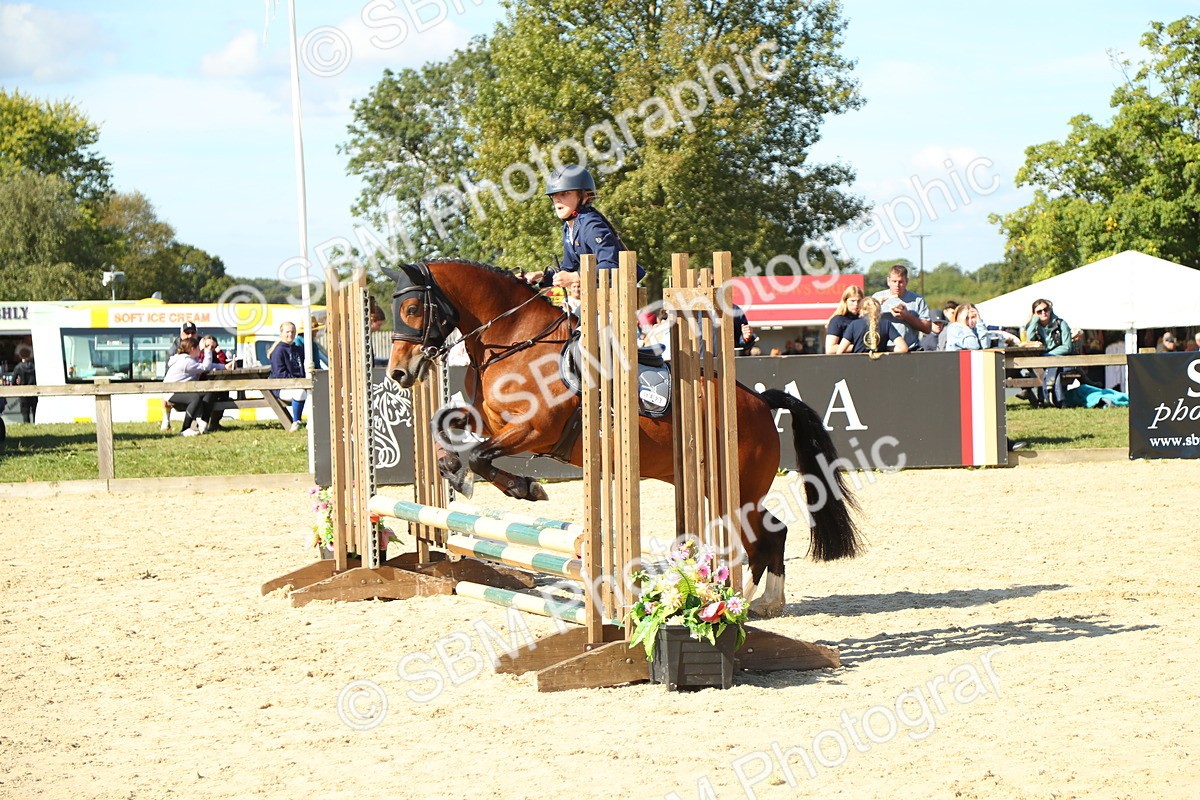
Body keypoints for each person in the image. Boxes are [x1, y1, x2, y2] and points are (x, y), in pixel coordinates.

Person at [522, 165, 645, 286]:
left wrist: (576, 277)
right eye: (554, 195)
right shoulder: (569, 227)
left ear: (585, 196)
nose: (557, 200)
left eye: (564, 193)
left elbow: (611, 264)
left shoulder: (591, 224)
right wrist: (541, 277)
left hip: (618, 296)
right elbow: (567, 269)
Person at [163, 336, 228, 436]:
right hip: (172, 392)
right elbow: (205, 367)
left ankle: (203, 422)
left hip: (180, 390)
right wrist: (207, 351)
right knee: (195, 398)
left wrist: (223, 366)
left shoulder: (189, 359)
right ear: (193, 349)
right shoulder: (186, 361)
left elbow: (205, 365)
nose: (200, 350)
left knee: (209, 392)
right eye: (198, 348)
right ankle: (185, 429)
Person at [1024, 298, 1073, 408]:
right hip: (1041, 362)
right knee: (1039, 370)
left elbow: (1067, 347)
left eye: (1046, 309)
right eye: (1039, 311)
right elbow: (1028, 341)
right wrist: (1034, 321)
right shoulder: (1034, 326)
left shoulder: (1061, 323)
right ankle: (1045, 399)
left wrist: (1048, 356)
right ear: (1034, 314)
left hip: (1063, 360)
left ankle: (1058, 400)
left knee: (1056, 370)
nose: (1043, 313)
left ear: (1050, 310)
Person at [872, 264, 931, 350]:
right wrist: (876, 307)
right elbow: (863, 320)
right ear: (888, 281)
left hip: (910, 349)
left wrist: (907, 316)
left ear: (906, 281)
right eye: (894, 281)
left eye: (901, 282)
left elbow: (927, 328)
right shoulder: (877, 297)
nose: (897, 285)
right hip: (883, 350)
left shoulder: (917, 300)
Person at [837, 297, 909, 355]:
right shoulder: (886, 324)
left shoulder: (854, 324)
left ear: (861, 310)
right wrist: (886, 348)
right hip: (880, 366)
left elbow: (840, 351)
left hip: (857, 367)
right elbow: (904, 348)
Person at [270, 321, 307, 432]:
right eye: (287, 332)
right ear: (281, 333)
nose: (290, 334)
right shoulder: (278, 351)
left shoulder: (299, 349)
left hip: (300, 383)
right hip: (282, 387)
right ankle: (296, 422)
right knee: (299, 392)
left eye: (292, 332)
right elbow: (279, 373)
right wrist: (297, 382)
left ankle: (313, 422)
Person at [161, 321, 198, 431]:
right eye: (187, 333)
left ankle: (203, 423)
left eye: (192, 332)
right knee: (165, 387)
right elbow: (168, 374)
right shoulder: (174, 349)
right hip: (179, 383)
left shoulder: (202, 342)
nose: (190, 335)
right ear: (181, 334)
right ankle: (166, 420)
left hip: (195, 379)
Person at [824, 285, 864, 353]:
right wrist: (859, 346)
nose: (856, 304)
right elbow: (830, 349)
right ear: (845, 301)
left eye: (859, 301)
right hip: (843, 360)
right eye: (852, 301)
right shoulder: (837, 320)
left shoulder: (865, 319)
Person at [11, 351, 37, 423]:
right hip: (34, 390)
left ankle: (26, 426)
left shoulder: (18, 367)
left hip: (23, 391)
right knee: (35, 410)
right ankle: (36, 424)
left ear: (20, 356)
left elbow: (13, 381)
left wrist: (17, 386)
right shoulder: (34, 366)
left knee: (25, 412)